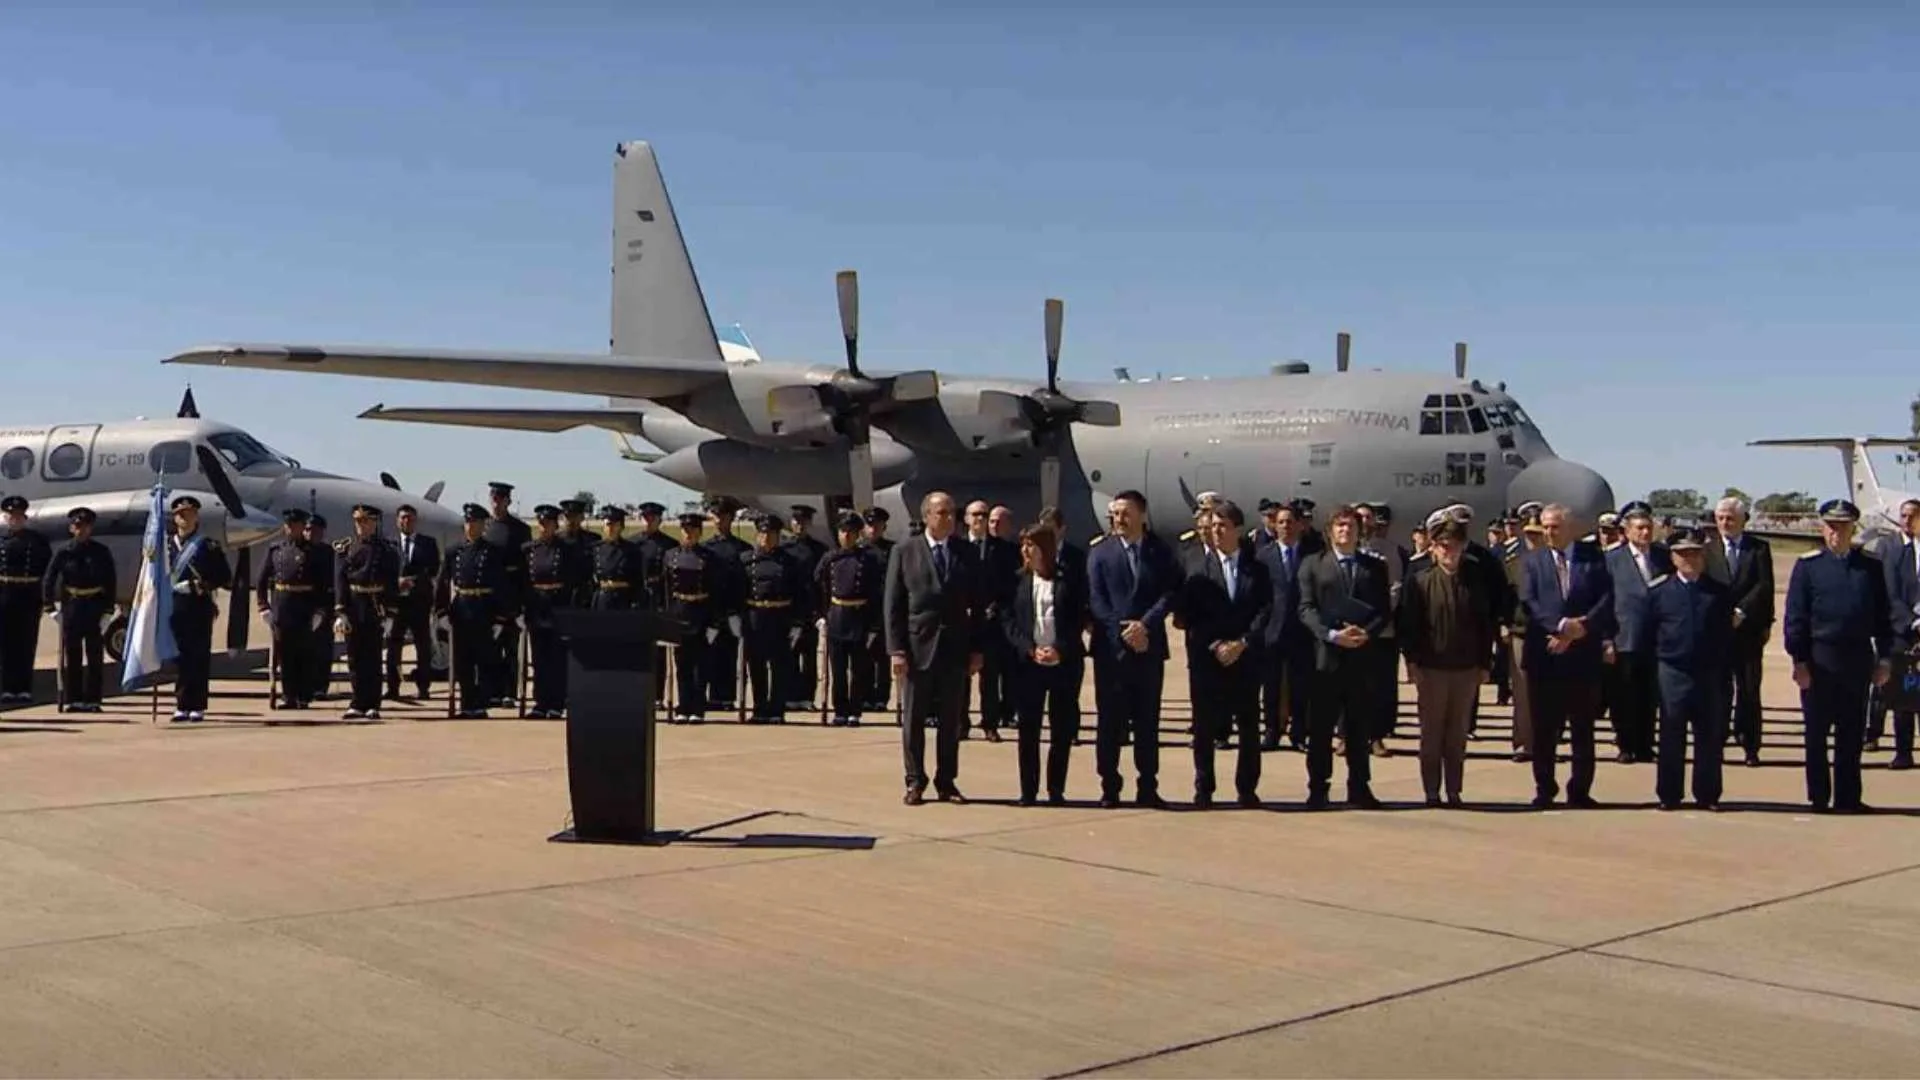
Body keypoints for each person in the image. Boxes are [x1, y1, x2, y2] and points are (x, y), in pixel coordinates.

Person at [1783, 499, 1891, 813]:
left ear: (1852, 528)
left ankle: (1848, 797)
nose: (1836, 532)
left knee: (1851, 732)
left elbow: (1883, 617)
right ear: (1822, 528)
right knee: (1817, 733)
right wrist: (1799, 661)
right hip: (1819, 659)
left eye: (1843, 526)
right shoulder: (1809, 566)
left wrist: (1884, 658)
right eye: (1831, 526)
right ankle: (1818, 796)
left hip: (1857, 658)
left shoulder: (1870, 567)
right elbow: (1795, 618)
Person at [884, 491, 986, 805]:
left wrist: (976, 649)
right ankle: (915, 781)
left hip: (955, 647)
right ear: (927, 515)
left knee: (951, 719)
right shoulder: (905, 551)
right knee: (914, 719)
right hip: (918, 646)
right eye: (941, 513)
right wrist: (896, 650)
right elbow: (893, 604)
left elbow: (978, 604)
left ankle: (947, 781)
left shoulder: (966, 552)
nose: (948, 519)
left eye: (951, 513)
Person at [1086, 489, 1181, 808]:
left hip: (1148, 646)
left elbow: (1170, 593)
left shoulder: (1160, 552)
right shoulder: (1100, 553)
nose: (1119, 519)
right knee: (1110, 721)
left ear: (1142, 514)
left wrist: (1145, 625)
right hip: (1112, 650)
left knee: (1147, 721)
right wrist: (1123, 630)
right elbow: (1097, 600)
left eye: (1126, 513)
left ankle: (1147, 786)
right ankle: (1109, 785)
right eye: (1115, 513)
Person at [1519, 502, 1617, 809]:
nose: (1549, 532)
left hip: (1583, 657)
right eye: (1545, 527)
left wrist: (1583, 627)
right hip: (1545, 655)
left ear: (1570, 528)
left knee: (1583, 728)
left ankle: (1580, 790)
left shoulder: (1593, 558)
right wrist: (1560, 627)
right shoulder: (1532, 561)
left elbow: (1606, 598)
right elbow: (1529, 601)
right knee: (1544, 729)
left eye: (1555, 527)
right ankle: (1544, 789)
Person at [1297, 504, 1393, 809]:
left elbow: (1383, 610)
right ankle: (1318, 788)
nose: (1345, 530)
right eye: (1339, 525)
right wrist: (1331, 635)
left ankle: (1359, 787)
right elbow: (1305, 608)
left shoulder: (1374, 567)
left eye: (1350, 525)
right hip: (1326, 659)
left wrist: (1368, 633)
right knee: (1322, 728)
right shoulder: (1313, 564)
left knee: (1358, 727)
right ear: (1329, 531)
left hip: (1362, 659)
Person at [1396, 518, 1498, 806]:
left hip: (1465, 668)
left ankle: (1454, 790)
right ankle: (1431, 790)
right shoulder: (1420, 581)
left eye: (1455, 546)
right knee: (1431, 734)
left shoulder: (1474, 582)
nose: (1449, 552)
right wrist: (1412, 663)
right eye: (1443, 546)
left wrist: (1484, 664)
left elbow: (1484, 625)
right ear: (1434, 548)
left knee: (1457, 735)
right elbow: (1409, 626)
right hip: (1431, 668)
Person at [1176, 501, 1271, 807]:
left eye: (1223, 526)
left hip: (1245, 658)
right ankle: (1204, 787)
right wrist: (1216, 644)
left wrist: (1242, 642)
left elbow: (1265, 609)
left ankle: (1247, 788)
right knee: (1204, 728)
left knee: (1247, 727)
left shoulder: (1256, 568)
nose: (1216, 532)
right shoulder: (1196, 568)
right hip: (1208, 659)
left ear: (1237, 530)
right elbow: (1189, 615)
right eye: (1213, 526)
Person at [1643, 528, 1734, 810]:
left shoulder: (1718, 592)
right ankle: (1669, 795)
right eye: (1683, 554)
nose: (1689, 559)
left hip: (1708, 673)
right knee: (1671, 735)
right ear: (1673, 558)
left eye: (1694, 553)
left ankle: (1708, 795)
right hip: (1672, 671)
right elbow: (1648, 634)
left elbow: (1726, 636)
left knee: (1709, 736)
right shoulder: (1658, 592)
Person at [1000, 523, 1086, 805]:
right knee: (1028, 729)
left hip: (1062, 663)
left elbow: (1077, 621)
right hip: (1029, 664)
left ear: (1045, 549)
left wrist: (1060, 649)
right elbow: (1008, 621)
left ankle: (1056, 788)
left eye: (1031, 545)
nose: (1026, 550)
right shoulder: (1017, 581)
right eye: (1024, 545)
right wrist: (1028, 648)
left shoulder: (1067, 581)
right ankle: (1028, 789)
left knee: (1061, 729)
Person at [1702, 495, 1774, 768]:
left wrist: (1743, 613)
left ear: (1743, 520)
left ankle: (1750, 744)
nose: (1724, 523)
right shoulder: (1708, 550)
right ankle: (1717, 740)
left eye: (1730, 518)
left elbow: (1764, 586)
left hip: (1748, 632)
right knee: (1719, 690)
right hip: (1718, 632)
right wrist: (1722, 615)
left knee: (1749, 691)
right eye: (1720, 518)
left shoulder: (1758, 549)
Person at [1603, 501, 1671, 763]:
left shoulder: (1663, 557)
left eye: (1648, 527)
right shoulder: (1612, 560)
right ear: (1627, 531)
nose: (1645, 533)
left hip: (1655, 639)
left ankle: (1645, 744)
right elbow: (1604, 602)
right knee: (1623, 695)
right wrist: (1606, 639)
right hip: (1624, 637)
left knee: (1649, 695)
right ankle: (1626, 744)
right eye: (1640, 528)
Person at [435, 503, 516, 719]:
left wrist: (501, 617)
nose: (471, 527)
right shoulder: (454, 551)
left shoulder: (492, 552)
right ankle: (467, 703)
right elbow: (443, 583)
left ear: (483, 526)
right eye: (468, 522)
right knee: (462, 661)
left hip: (484, 609)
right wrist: (441, 612)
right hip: (461, 608)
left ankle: (481, 703)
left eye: (476, 523)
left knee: (485, 660)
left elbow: (501, 586)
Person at [164, 495, 232, 722]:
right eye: (181, 515)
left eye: (190, 514)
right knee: (180, 657)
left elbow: (224, 576)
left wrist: (201, 584)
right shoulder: (165, 546)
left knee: (199, 656)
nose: (186, 518)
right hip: (174, 606)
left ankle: (197, 705)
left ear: (197, 517)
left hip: (198, 605)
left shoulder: (207, 546)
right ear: (175, 519)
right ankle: (181, 703)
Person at [42, 506, 116, 712]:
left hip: (94, 605)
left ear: (90, 528)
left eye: (85, 527)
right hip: (72, 605)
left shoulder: (101, 552)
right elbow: (50, 579)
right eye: (77, 526)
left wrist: (108, 611)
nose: (81, 530)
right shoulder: (64, 552)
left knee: (94, 656)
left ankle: (93, 699)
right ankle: (73, 698)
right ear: (71, 528)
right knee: (72, 655)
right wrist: (50, 607)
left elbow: (110, 581)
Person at [332, 504, 401, 721]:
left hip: (374, 605)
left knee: (372, 657)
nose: (361, 526)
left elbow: (391, 584)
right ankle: (357, 701)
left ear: (374, 523)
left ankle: (372, 702)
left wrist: (390, 613)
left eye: (365, 521)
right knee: (354, 656)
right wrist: (340, 611)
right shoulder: (346, 548)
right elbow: (340, 581)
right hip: (354, 605)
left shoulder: (386, 551)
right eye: (358, 521)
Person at [256, 508, 326, 710]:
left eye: (295, 525)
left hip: (305, 606)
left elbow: (322, 585)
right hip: (282, 606)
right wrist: (263, 607)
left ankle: (304, 695)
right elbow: (261, 581)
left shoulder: (313, 552)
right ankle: (289, 696)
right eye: (288, 525)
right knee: (285, 655)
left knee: (304, 653)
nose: (291, 529)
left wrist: (320, 611)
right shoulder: (275, 550)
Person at [817, 511, 880, 726]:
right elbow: (819, 586)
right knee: (838, 670)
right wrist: (821, 615)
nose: (847, 536)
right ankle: (840, 709)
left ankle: (855, 710)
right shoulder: (830, 558)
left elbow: (875, 592)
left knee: (859, 670)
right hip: (837, 616)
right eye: (843, 532)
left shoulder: (868, 560)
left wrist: (873, 624)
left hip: (859, 617)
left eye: (851, 532)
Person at [741, 513, 804, 723]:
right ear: (757, 535)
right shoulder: (746, 560)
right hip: (755, 617)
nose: (767, 538)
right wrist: (735, 617)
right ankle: (759, 708)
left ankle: (777, 709)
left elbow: (799, 593)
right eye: (763, 534)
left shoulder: (789, 562)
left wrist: (797, 623)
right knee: (756, 666)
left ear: (778, 536)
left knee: (779, 666)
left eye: (772, 534)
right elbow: (737, 591)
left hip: (780, 618)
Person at [523, 504, 586, 718]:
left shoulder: (567, 549)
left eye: (548, 523)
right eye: (541, 523)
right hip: (537, 606)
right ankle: (540, 701)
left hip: (559, 605)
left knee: (558, 657)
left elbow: (577, 579)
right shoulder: (529, 549)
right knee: (539, 658)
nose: (544, 527)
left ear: (555, 524)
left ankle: (556, 703)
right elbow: (523, 581)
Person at [664, 511, 726, 722]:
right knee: (682, 665)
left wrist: (715, 622)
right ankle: (683, 706)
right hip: (679, 612)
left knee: (701, 665)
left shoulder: (710, 558)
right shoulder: (670, 556)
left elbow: (717, 592)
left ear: (699, 533)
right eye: (685, 530)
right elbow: (665, 590)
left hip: (701, 613)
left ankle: (697, 707)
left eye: (693, 530)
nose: (688, 534)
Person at [481, 481, 532, 707]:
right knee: (489, 647)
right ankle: (491, 690)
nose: (496, 502)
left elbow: (524, 567)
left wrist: (522, 601)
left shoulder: (520, 529)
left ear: (508, 501)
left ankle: (509, 691)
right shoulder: (484, 527)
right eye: (493, 497)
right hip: (488, 593)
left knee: (510, 646)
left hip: (510, 591)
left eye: (501, 498)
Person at [0, 495, 52, 704]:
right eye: (12, 516)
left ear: (25, 517)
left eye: (19, 516)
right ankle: (7, 688)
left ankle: (23, 688)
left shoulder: (37, 541)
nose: (15, 520)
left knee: (26, 643)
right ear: (6, 518)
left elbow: (46, 567)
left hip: (28, 593)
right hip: (5, 593)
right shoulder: (1, 541)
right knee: (5, 645)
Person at [385, 504, 439, 701]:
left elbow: (433, 570)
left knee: (422, 647)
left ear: (416, 521)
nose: (406, 521)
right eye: (403, 518)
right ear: (397, 520)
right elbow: (383, 571)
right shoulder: (389, 544)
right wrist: (396, 583)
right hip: (396, 604)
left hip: (418, 603)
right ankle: (392, 687)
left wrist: (415, 582)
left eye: (410, 518)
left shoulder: (428, 543)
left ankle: (423, 687)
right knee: (393, 647)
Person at [1881, 499, 1920, 771]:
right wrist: (1912, 623)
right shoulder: (1890, 549)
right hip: (1905, 635)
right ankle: (1903, 752)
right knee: (1906, 696)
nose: (1907, 521)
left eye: (1913, 516)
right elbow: (1890, 593)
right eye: (1903, 515)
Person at [782, 503, 830, 711]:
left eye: (803, 522)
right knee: (789, 655)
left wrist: (820, 611)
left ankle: (807, 697)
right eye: (796, 521)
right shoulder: (784, 549)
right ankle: (790, 695)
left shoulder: (819, 550)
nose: (799, 525)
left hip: (810, 610)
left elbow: (823, 582)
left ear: (809, 523)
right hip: (788, 608)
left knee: (809, 656)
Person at [862, 506, 898, 713]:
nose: (873, 529)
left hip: (884, 609)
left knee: (883, 658)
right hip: (863, 608)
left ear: (884, 527)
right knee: (864, 656)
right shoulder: (859, 550)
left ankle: (881, 697)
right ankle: (865, 695)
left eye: (877, 526)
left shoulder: (892, 550)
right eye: (869, 525)